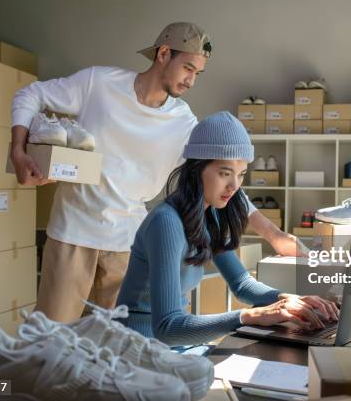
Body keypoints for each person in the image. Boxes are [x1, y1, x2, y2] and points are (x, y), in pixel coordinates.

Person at [10, 22, 307, 323]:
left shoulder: (184, 124)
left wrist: (275, 235)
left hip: (129, 244)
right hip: (73, 233)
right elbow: (29, 95)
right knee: (50, 342)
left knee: (121, 348)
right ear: (163, 54)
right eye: (188, 68)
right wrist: (18, 151)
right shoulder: (98, 83)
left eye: (198, 73)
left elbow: (227, 181)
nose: (191, 80)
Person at [116, 111, 338, 346]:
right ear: (196, 169)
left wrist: (287, 299)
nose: (234, 186)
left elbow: (242, 283)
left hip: (173, 346)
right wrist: (250, 316)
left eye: (241, 175)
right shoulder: (166, 222)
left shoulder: (210, 215)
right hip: (139, 348)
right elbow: (168, 327)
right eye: (225, 173)